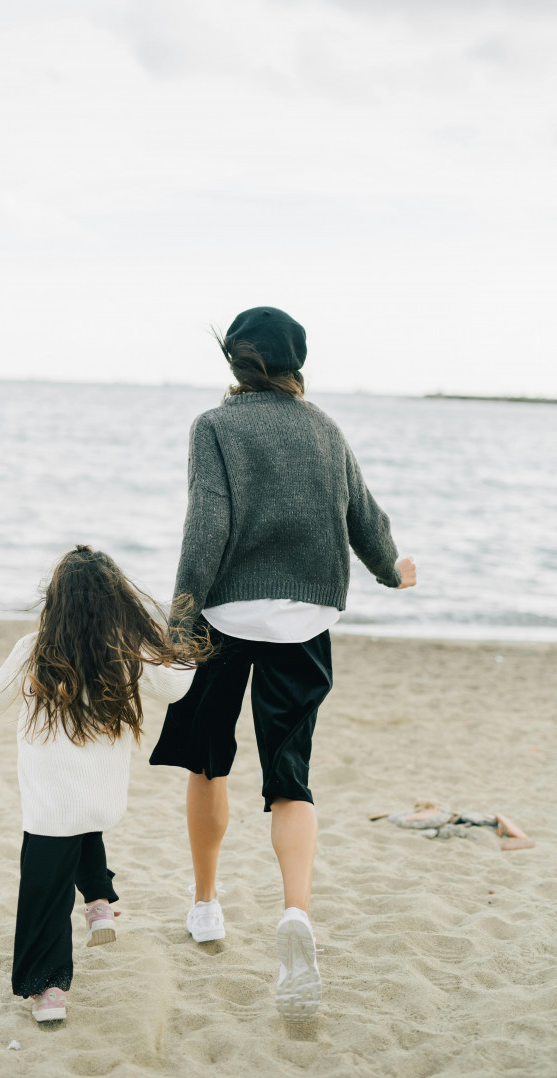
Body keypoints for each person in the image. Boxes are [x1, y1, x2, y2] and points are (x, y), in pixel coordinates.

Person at [149, 307, 417, 1021]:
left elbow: (206, 526)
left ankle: (207, 903)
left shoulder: (214, 427)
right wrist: (393, 569)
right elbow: (365, 516)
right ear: (299, 361)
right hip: (304, 617)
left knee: (208, 761)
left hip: (226, 614)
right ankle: (295, 912)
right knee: (290, 776)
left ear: (234, 364)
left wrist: (180, 620)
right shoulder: (325, 429)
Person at [0, 545, 208, 1024]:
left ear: (55, 600)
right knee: (79, 824)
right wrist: (179, 637)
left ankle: (49, 989)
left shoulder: (33, 648)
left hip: (48, 807)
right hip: (101, 803)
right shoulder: (127, 651)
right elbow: (177, 687)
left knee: (46, 891)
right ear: (116, 599)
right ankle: (99, 902)